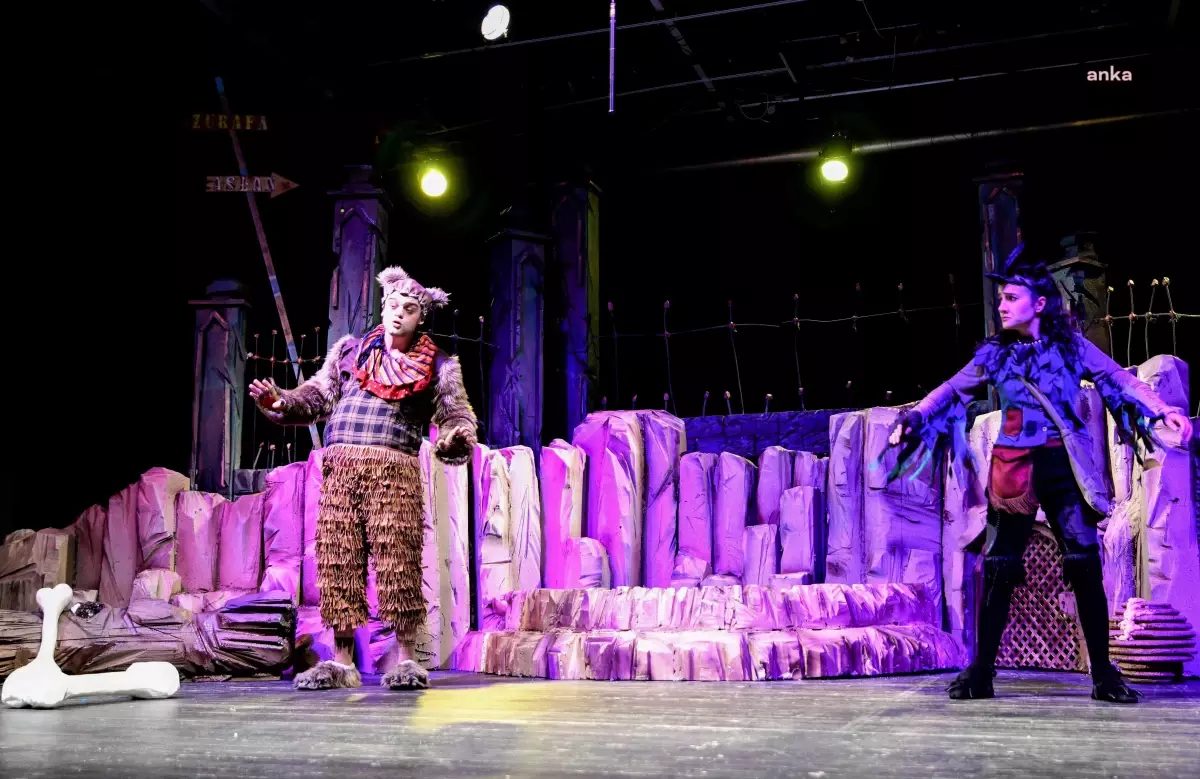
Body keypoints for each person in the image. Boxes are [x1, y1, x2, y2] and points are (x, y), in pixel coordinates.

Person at [888, 250, 1192, 703]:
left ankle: (1103, 674)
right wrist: (915, 417)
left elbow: (1117, 378)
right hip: (1012, 468)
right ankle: (981, 672)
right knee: (998, 569)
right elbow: (952, 389)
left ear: (1040, 303)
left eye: (1012, 298)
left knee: (1084, 565)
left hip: (1063, 466)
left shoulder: (1070, 347)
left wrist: (1161, 409)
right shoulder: (995, 354)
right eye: (1001, 298)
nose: (1003, 305)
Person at [251, 265, 477, 690]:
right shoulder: (350, 351)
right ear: (383, 306)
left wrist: (455, 437)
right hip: (341, 472)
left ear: (420, 317)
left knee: (397, 564)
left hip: (393, 472)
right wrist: (281, 401)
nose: (399, 314)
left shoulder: (439, 365)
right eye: (393, 305)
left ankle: (406, 659)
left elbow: (456, 415)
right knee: (339, 562)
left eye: (409, 308)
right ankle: (340, 662)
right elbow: (316, 396)